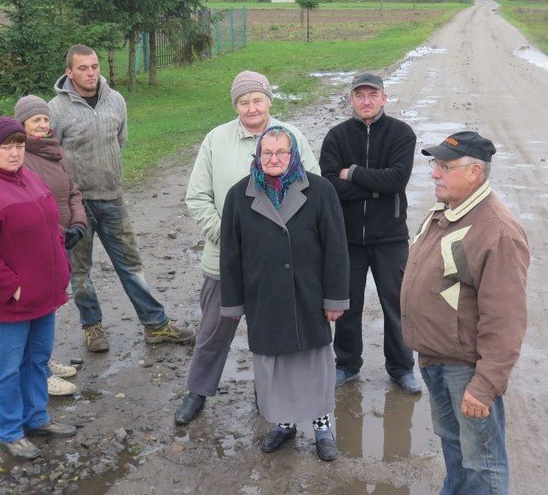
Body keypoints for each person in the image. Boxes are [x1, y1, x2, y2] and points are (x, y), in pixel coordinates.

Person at [176, 70, 320, 425]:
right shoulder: (216, 139)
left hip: (277, 263)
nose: (251, 107)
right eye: (244, 101)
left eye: (257, 99)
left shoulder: (292, 137)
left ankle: (268, 397)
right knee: (213, 329)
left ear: (269, 101)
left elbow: (313, 190)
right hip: (224, 260)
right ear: (235, 105)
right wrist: (224, 236)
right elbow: (197, 196)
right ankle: (198, 390)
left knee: (271, 333)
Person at [400, 131, 530, 494]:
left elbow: (506, 320)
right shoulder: (447, 211)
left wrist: (484, 385)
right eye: (435, 164)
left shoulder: (497, 231)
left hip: (466, 369)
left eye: (445, 166)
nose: (434, 174)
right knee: (455, 448)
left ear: (475, 173)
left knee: (483, 464)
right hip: (436, 358)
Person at [49, 44, 194, 352]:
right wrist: (67, 200)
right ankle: (93, 327)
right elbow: (53, 156)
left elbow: (120, 140)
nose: (90, 73)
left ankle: (155, 325)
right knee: (80, 272)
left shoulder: (116, 100)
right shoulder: (56, 110)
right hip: (76, 205)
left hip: (112, 198)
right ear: (69, 72)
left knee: (131, 264)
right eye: (83, 68)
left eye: (94, 66)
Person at [220, 126, 349, 461]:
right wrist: (233, 302)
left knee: (314, 366)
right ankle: (284, 424)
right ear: (257, 156)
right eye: (267, 153)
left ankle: (322, 425)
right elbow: (230, 254)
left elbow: (337, 246)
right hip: (264, 296)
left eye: (281, 153)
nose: (273, 159)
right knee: (273, 366)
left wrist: (335, 298)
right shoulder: (239, 195)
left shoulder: (319, 190)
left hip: (308, 294)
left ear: (294, 156)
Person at [0, 117, 78, 460]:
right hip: (7, 303)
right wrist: (12, 288)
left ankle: (36, 417)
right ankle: (9, 431)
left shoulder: (30, 178)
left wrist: (61, 270)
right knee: (7, 368)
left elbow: (52, 227)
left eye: (19, 145)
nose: (14, 153)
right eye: (6, 147)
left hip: (44, 295)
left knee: (37, 360)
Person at [319, 72, 421, 394]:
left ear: (383, 98)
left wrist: (355, 174)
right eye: (359, 95)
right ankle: (347, 364)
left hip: (390, 238)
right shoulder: (336, 137)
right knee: (347, 306)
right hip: (347, 239)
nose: (366, 101)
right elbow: (329, 186)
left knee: (397, 305)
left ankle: (402, 368)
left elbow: (396, 181)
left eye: (372, 95)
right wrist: (375, 188)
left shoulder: (401, 134)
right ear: (351, 99)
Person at [14, 94, 87, 397]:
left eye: (45, 119)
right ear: (21, 125)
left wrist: (79, 223)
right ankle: (39, 373)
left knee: (51, 303)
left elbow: (72, 189)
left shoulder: (55, 151)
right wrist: (58, 231)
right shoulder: (20, 156)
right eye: (35, 120)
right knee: (36, 305)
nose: (43, 125)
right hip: (39, 243)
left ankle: (42, 360)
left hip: (63, 239)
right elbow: (28, 203)